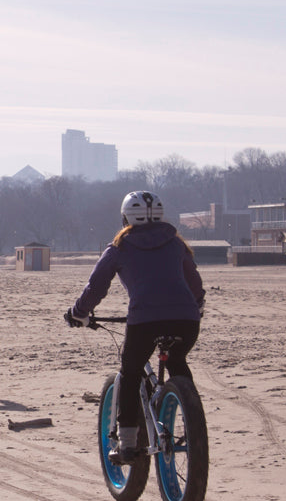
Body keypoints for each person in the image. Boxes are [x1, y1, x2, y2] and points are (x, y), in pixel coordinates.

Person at [65, 191, 205, 465]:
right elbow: (195, 284)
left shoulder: (120, 246)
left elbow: (95, 287)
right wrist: (196, 306)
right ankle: (192, 418)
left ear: (125, 217)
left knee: (130, 373)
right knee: (177, 360)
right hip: (186, 320)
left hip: (145, 321)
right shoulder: (176, 244)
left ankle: (127, 444)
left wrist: (79, 313)